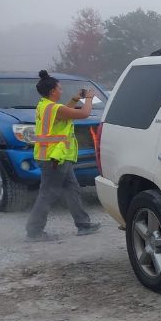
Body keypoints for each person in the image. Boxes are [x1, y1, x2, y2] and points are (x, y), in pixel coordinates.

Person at [25, 70, 101, 241]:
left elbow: (63, 113)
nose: (61, 90)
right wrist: (88, 98)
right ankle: (34, 231)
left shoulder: (44, 105)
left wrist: (75, 99)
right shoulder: (54, 108)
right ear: (52, 91)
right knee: (48, 193)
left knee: (72, 189)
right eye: (59, 88)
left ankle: (83, 225)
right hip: (54, 158)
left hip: (56, 156)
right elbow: (84, 114)